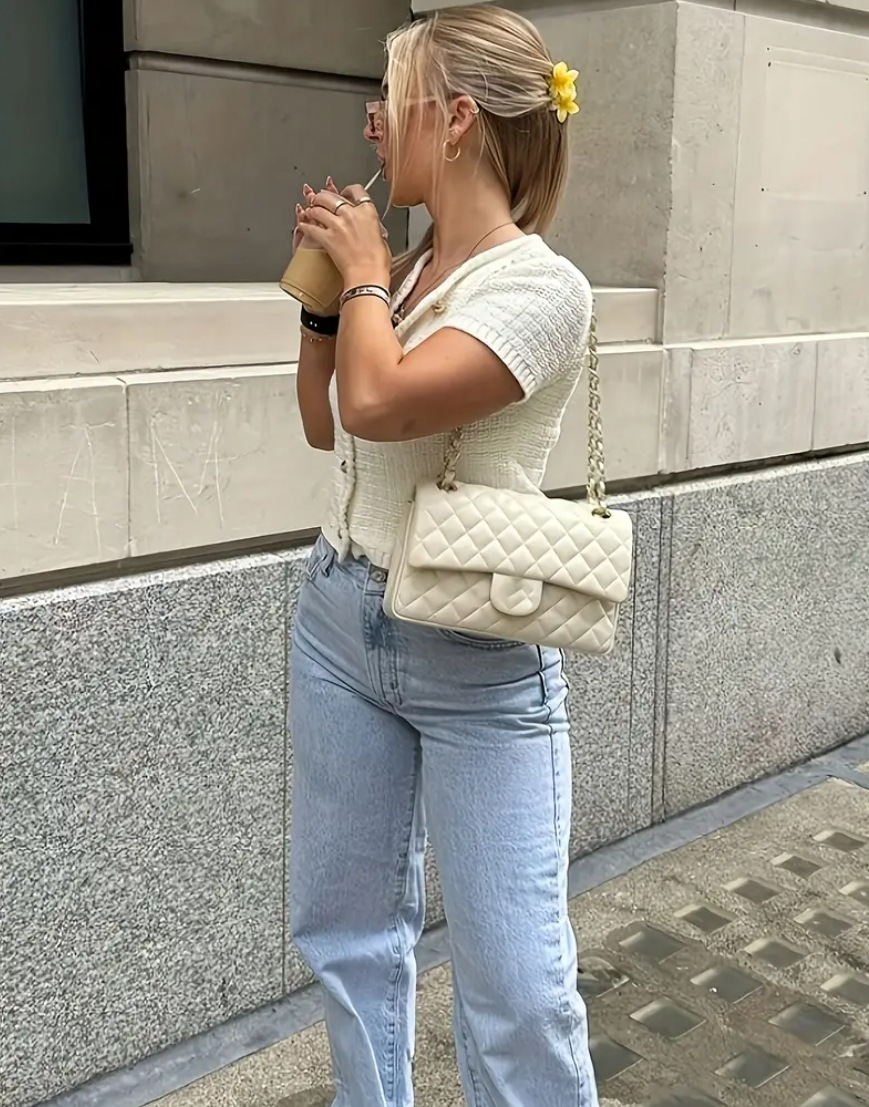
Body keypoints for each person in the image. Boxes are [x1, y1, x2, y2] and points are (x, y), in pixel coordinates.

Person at [288, 6, 598, 1105]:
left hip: (479, 651)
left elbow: (381, 405)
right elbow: (323, 420)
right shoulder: (408, 270)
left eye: (391, 98)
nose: (372, 122)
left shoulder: (540, 289)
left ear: (457, 118)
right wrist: (328, 297)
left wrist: (363, 275)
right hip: (338, 619)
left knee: (518, 987)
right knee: (344, 936)